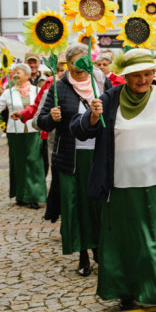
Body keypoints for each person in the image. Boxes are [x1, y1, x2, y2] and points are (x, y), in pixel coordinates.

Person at [72, 48, 156, 312]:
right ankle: (127, 291)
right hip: (121, 184)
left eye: (147, 73)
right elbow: (80, 129)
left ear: (154, 73)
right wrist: (93, 116)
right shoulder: (109, 98)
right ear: (125, 76)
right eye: (136, 75)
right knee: (127, 240)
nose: (142, 79)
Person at [37, 45, 104, 276]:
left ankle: (100, 249)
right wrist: (51, 118)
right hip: (70, 157)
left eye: (84, 61)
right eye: (75, 62)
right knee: (76, 206)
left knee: (98, 205)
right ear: (67, 64)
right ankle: (83, 253)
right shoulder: (58, 88)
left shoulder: (102, 85)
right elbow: (40, 121)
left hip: (98, 155)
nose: (80, 67)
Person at [0, 63, 47, 209]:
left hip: (33, 132)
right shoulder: (9, 92)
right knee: (18, 164)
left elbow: (42, 109)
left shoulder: (37, 90)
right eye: (14, 73)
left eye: (18, 72)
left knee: (34, 163)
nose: (15, 75)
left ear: (27, 75)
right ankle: (21, 195)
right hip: (15, 133)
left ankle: (34, 196)